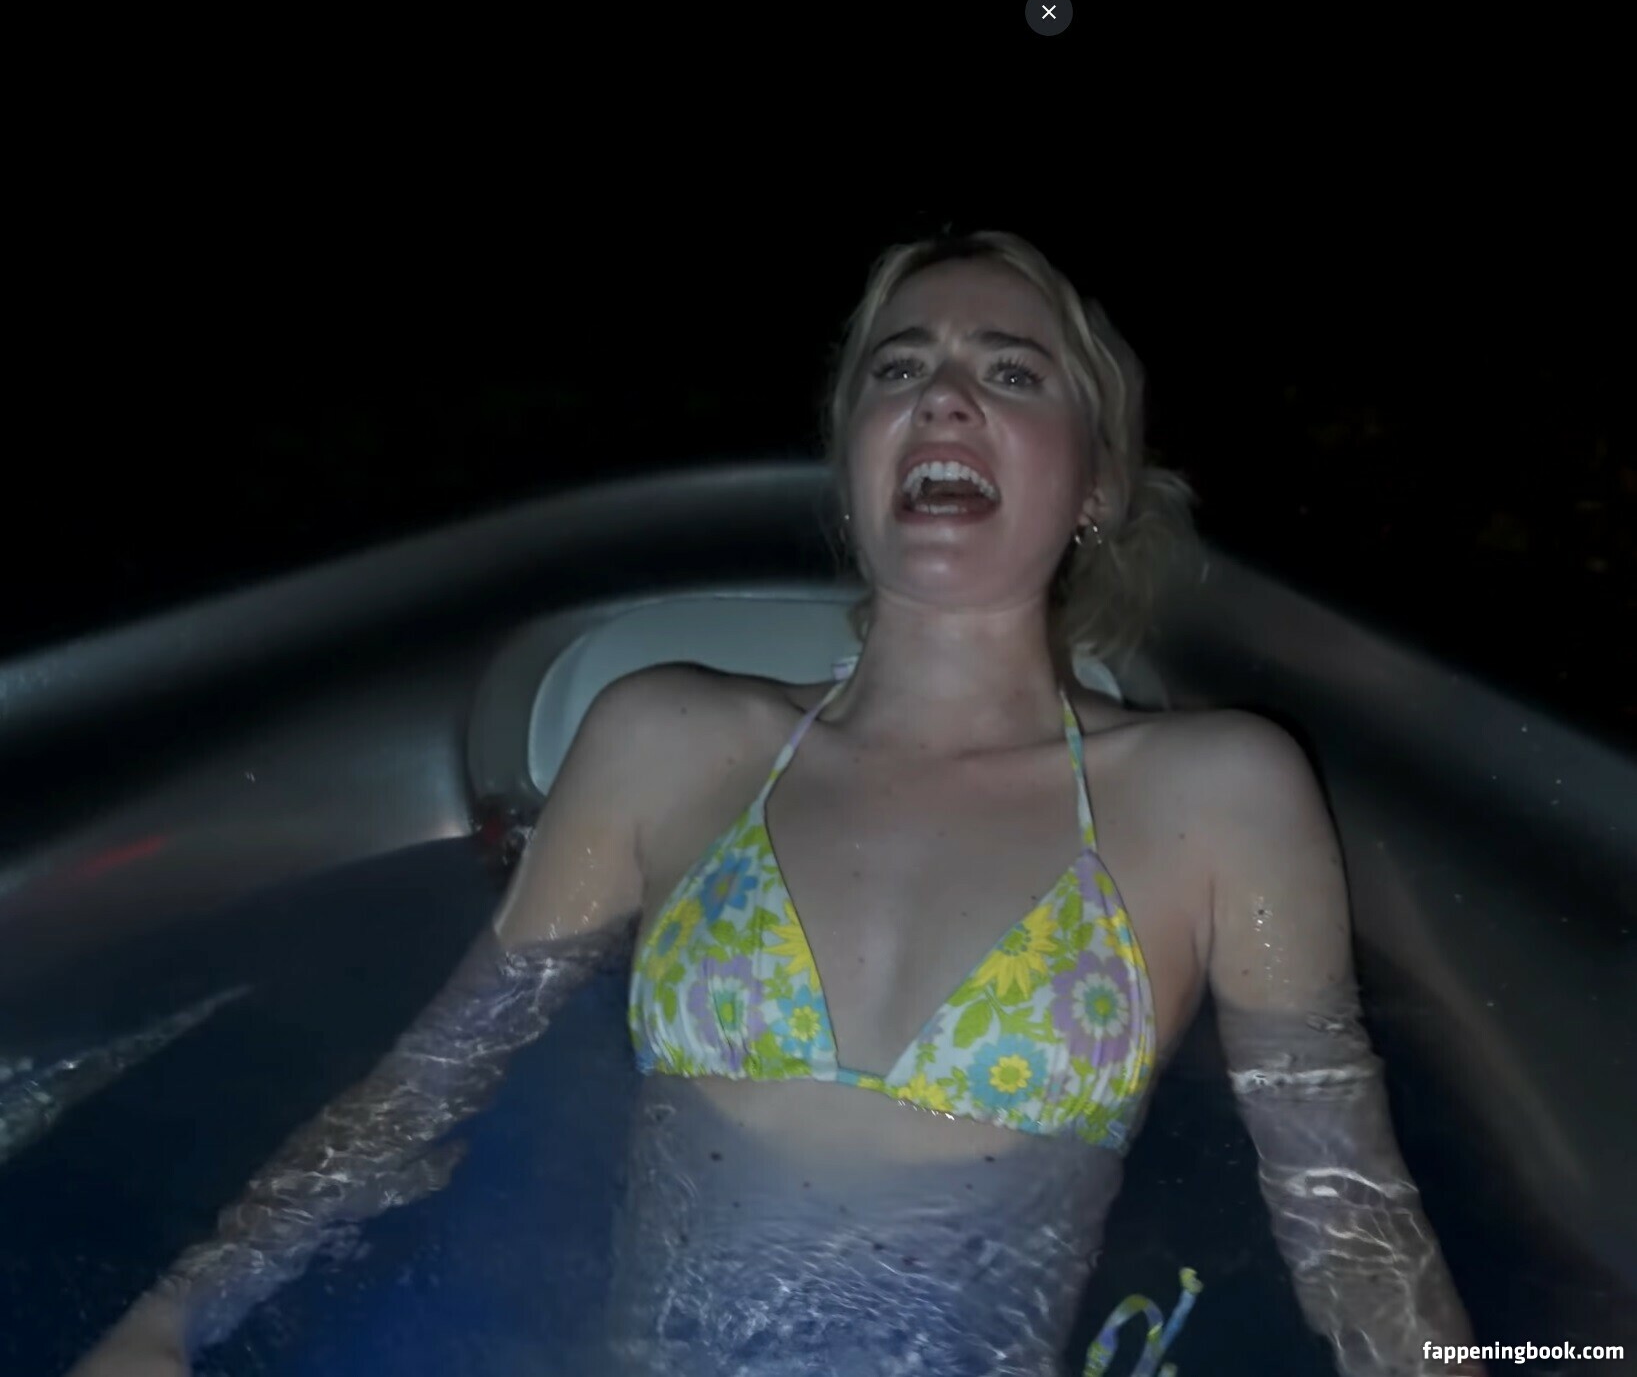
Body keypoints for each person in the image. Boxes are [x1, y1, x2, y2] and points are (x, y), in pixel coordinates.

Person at [68, 232, 1485, 1376]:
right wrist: (171, 1318)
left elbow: (1345, 1219)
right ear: (851, 455)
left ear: (1096, 483)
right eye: (900, 367)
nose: (944, 398)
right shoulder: (667, 742)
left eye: (1010, 371)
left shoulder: (1218, 792)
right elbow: (432, 1077)